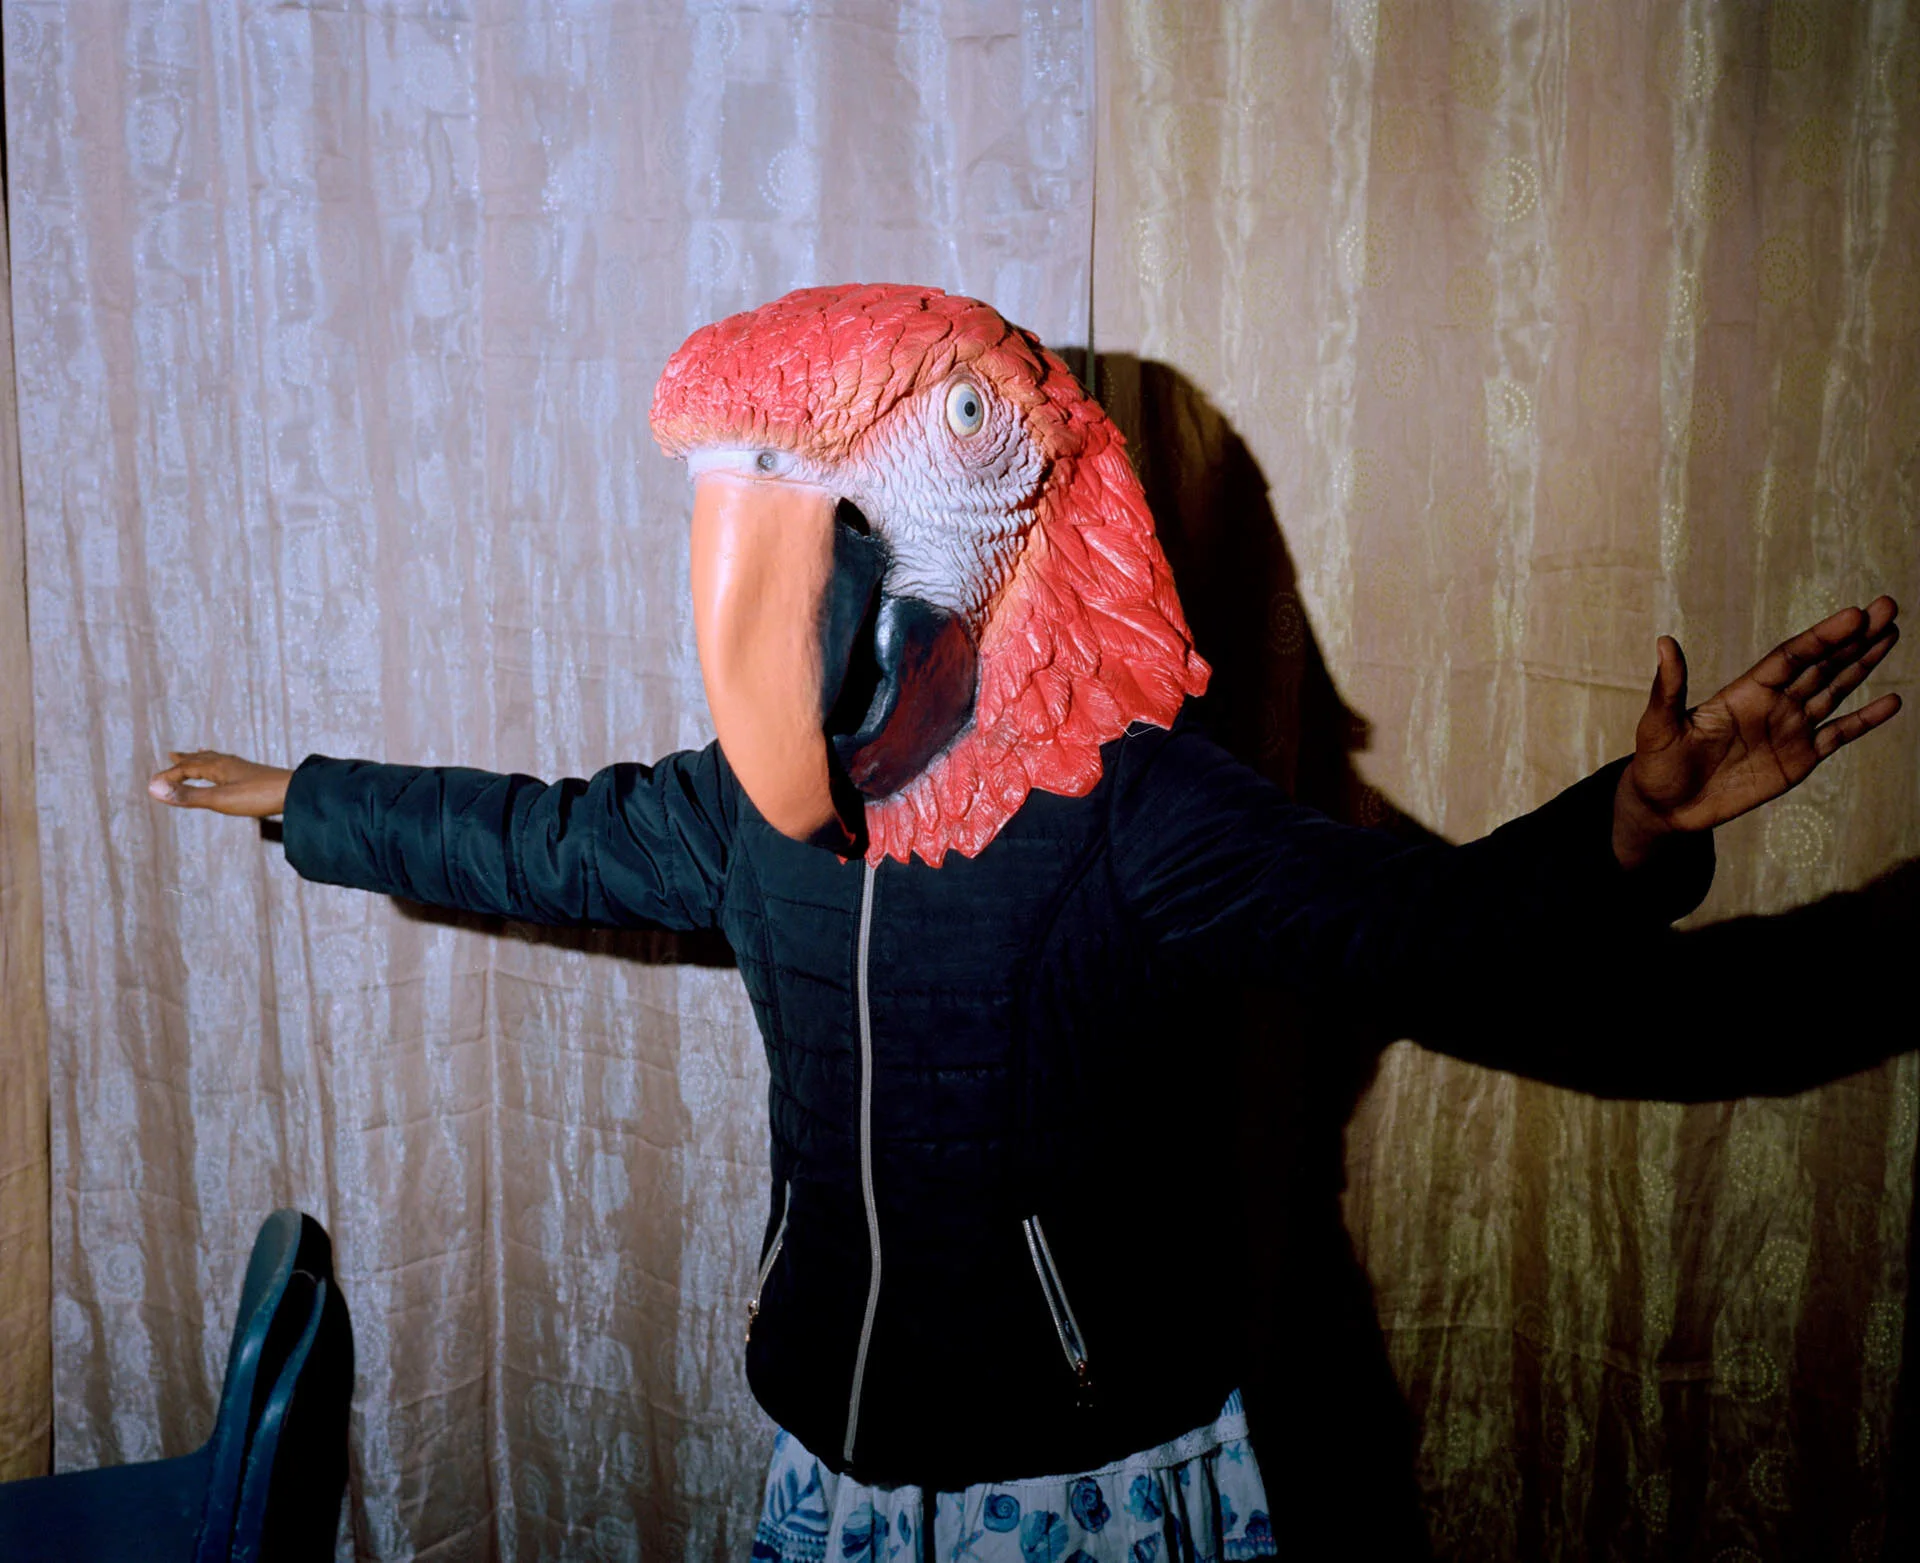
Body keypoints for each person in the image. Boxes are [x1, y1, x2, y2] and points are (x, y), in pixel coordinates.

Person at [148, 286, 1905, 1563]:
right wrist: (308, 796)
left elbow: (1427, 931)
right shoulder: (739, 819)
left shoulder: (1141, 811)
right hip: (836, 1447)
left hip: (1084, 1462)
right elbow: (533, 836)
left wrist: (1624, 830)